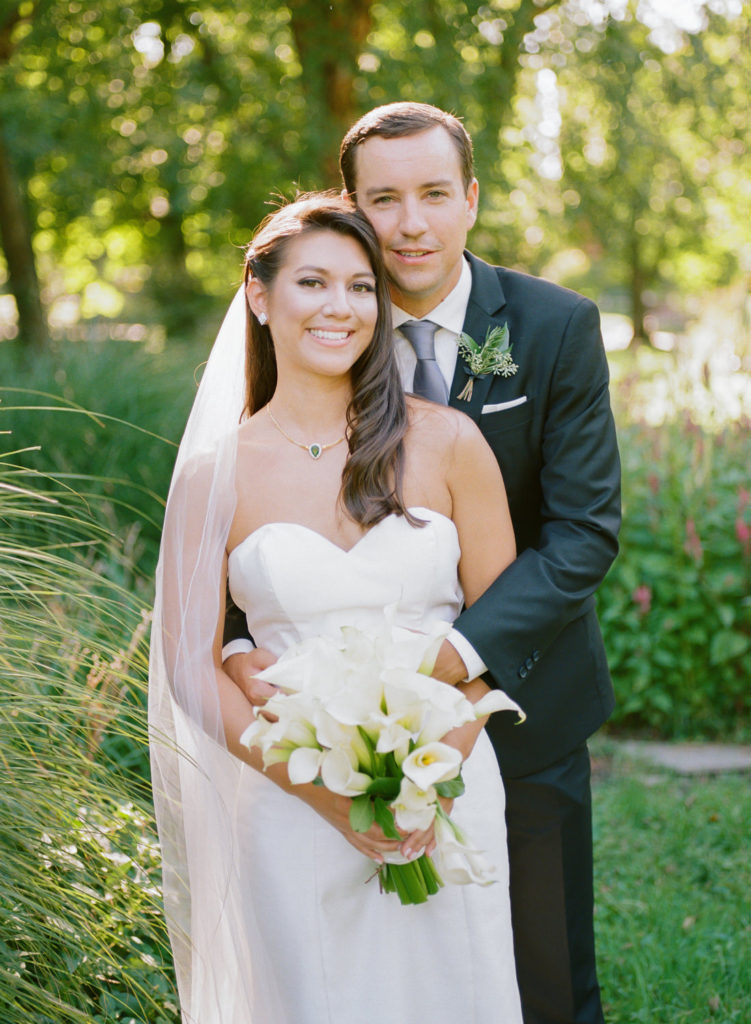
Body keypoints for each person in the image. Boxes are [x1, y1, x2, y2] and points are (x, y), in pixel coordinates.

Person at [223, 104, 621, 1024]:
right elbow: (253, 523)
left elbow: (583, 533)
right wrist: (247, 650)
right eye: (385, 199)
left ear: (469, 199)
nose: (411, 223)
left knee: (545, 974)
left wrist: (448, 668)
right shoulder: (321, 324)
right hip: (322, 729)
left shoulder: (552, 326)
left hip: (522, 694)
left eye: (434, 194)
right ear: (354, 207)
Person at [150, 192, 524, 1023]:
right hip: (285, 799)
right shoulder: (217, 472)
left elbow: (502, 631)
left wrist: (427, 777)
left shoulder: (449, 442)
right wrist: (323, 792)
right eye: (313, 283)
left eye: (361, 288)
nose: (340, 308)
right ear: (259, 295)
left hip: (448, 786)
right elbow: (186, 660)